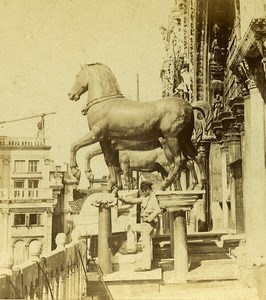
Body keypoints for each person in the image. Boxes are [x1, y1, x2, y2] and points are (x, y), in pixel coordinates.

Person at [119, 181, 162, 272]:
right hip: (144, 224)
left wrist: (149, 218)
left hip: (149, 224)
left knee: (145, 245)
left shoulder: (153, 198)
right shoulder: (146, 197)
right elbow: (134, 200)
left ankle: (146, 266)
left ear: (147, 189)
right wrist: (121, 199)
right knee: (131, 228)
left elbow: (158, 210)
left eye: (143, 191)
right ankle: (131, 248)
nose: (143, 193)